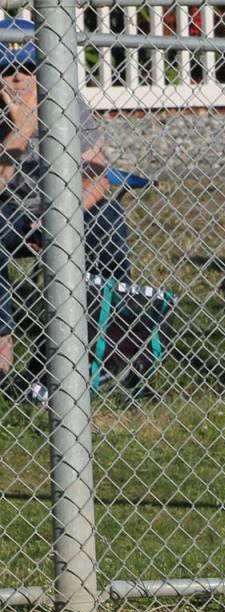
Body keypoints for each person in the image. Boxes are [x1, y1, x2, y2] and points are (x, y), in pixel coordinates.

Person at [0, 18, 131, 378]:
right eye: (7, 69)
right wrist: (22, 128)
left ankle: (106, 337)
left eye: (28, 67)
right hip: (9, 209)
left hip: (64, 206)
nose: (18, 78)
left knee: (109, 220)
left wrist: (62, 215)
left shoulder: (65, 100)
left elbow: (96, 175)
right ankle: (2, 338)